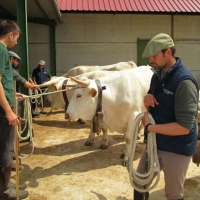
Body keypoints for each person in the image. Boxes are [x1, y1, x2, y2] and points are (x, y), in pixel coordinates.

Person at [134, 33, 199, 200]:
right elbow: (152, 98)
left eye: (154, 56)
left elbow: (184, 127)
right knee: (139, 181)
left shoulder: (184, 83)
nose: (150, 60)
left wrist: (149, 127)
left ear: (168, 53)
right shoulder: (158, 75)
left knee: (173, 193)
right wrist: (148, 98)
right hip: (156, 141)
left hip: (176, 147)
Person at [0, 20, 29, 199]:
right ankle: (5, 190)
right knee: (5, 147)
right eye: (17, 38)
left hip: (5, 103)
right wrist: (9, 110)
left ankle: (7, 184)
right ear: (11, 34)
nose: (16, 42)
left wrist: (13, 96)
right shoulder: (2, 50)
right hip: (3, 110)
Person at [9, 51, 39, 118]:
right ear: (11, 59)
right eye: (17, 60)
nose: (18, 63)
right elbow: (26, 84)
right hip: (11, 101)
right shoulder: (11, 71)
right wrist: (35, 86)